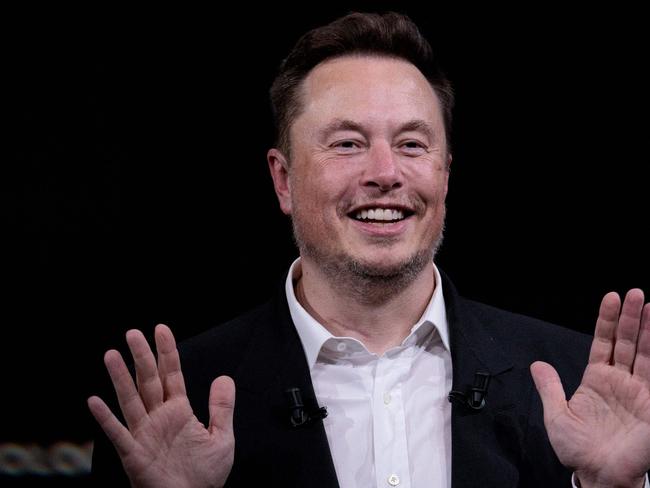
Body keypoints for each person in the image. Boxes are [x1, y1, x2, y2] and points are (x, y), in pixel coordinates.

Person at [88, 11, 650, 488]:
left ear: (445, 176)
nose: (385, 173)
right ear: (283, 180)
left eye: (411, 144)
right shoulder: (173, 402)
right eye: (348, 144)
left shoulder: (578, 381)